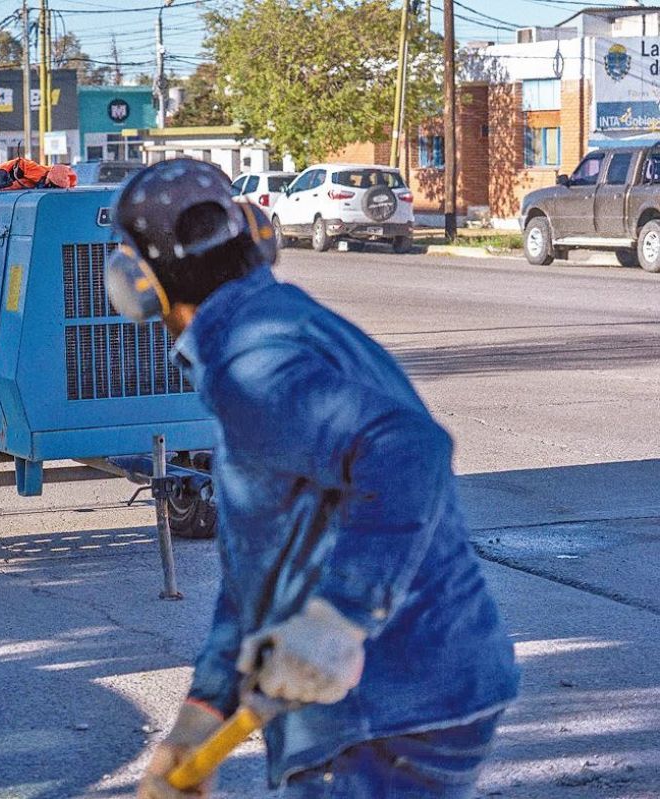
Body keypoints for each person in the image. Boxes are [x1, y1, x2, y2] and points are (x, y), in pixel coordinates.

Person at [108, 159, 520, 799]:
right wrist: (201, 717)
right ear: (255, 231)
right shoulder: (277, 322)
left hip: (382, 713)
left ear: (137, 282)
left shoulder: (252, 363)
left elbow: (409, 449)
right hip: (427, 693)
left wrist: (340, 617)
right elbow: (261, 559)